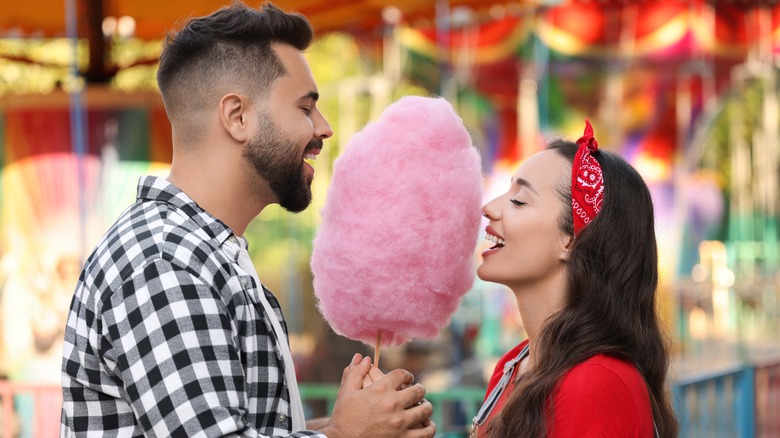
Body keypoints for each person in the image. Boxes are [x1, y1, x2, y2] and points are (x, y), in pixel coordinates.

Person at [60, 3, 435, 437]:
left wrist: (354, 422)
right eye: (305, 107)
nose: (324, 128)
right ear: (237, 116)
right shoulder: (166, 262)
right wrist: (346, 435)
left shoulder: (203, 254)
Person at [471, 121, 678, 437]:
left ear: (572, 239)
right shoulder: (513, 365)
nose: (489, 208)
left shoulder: (596, 382)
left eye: (518, 200)